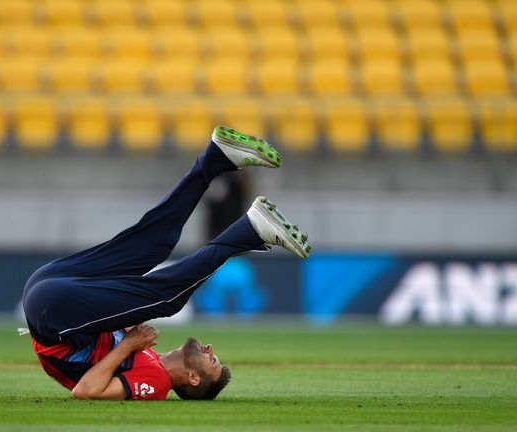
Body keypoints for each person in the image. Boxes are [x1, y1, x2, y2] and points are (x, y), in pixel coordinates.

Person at [22, 126, 311, 400]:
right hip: (51, 292)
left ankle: (250, 228)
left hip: (53, 315)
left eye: (212, 359)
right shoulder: (146, 354)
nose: (210, 349)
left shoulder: (157, 382)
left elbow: (85, 391)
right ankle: (216, 158)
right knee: (149, 247)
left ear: (194, 379)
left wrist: (126, 346)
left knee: (168, 297)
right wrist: (128, 342)